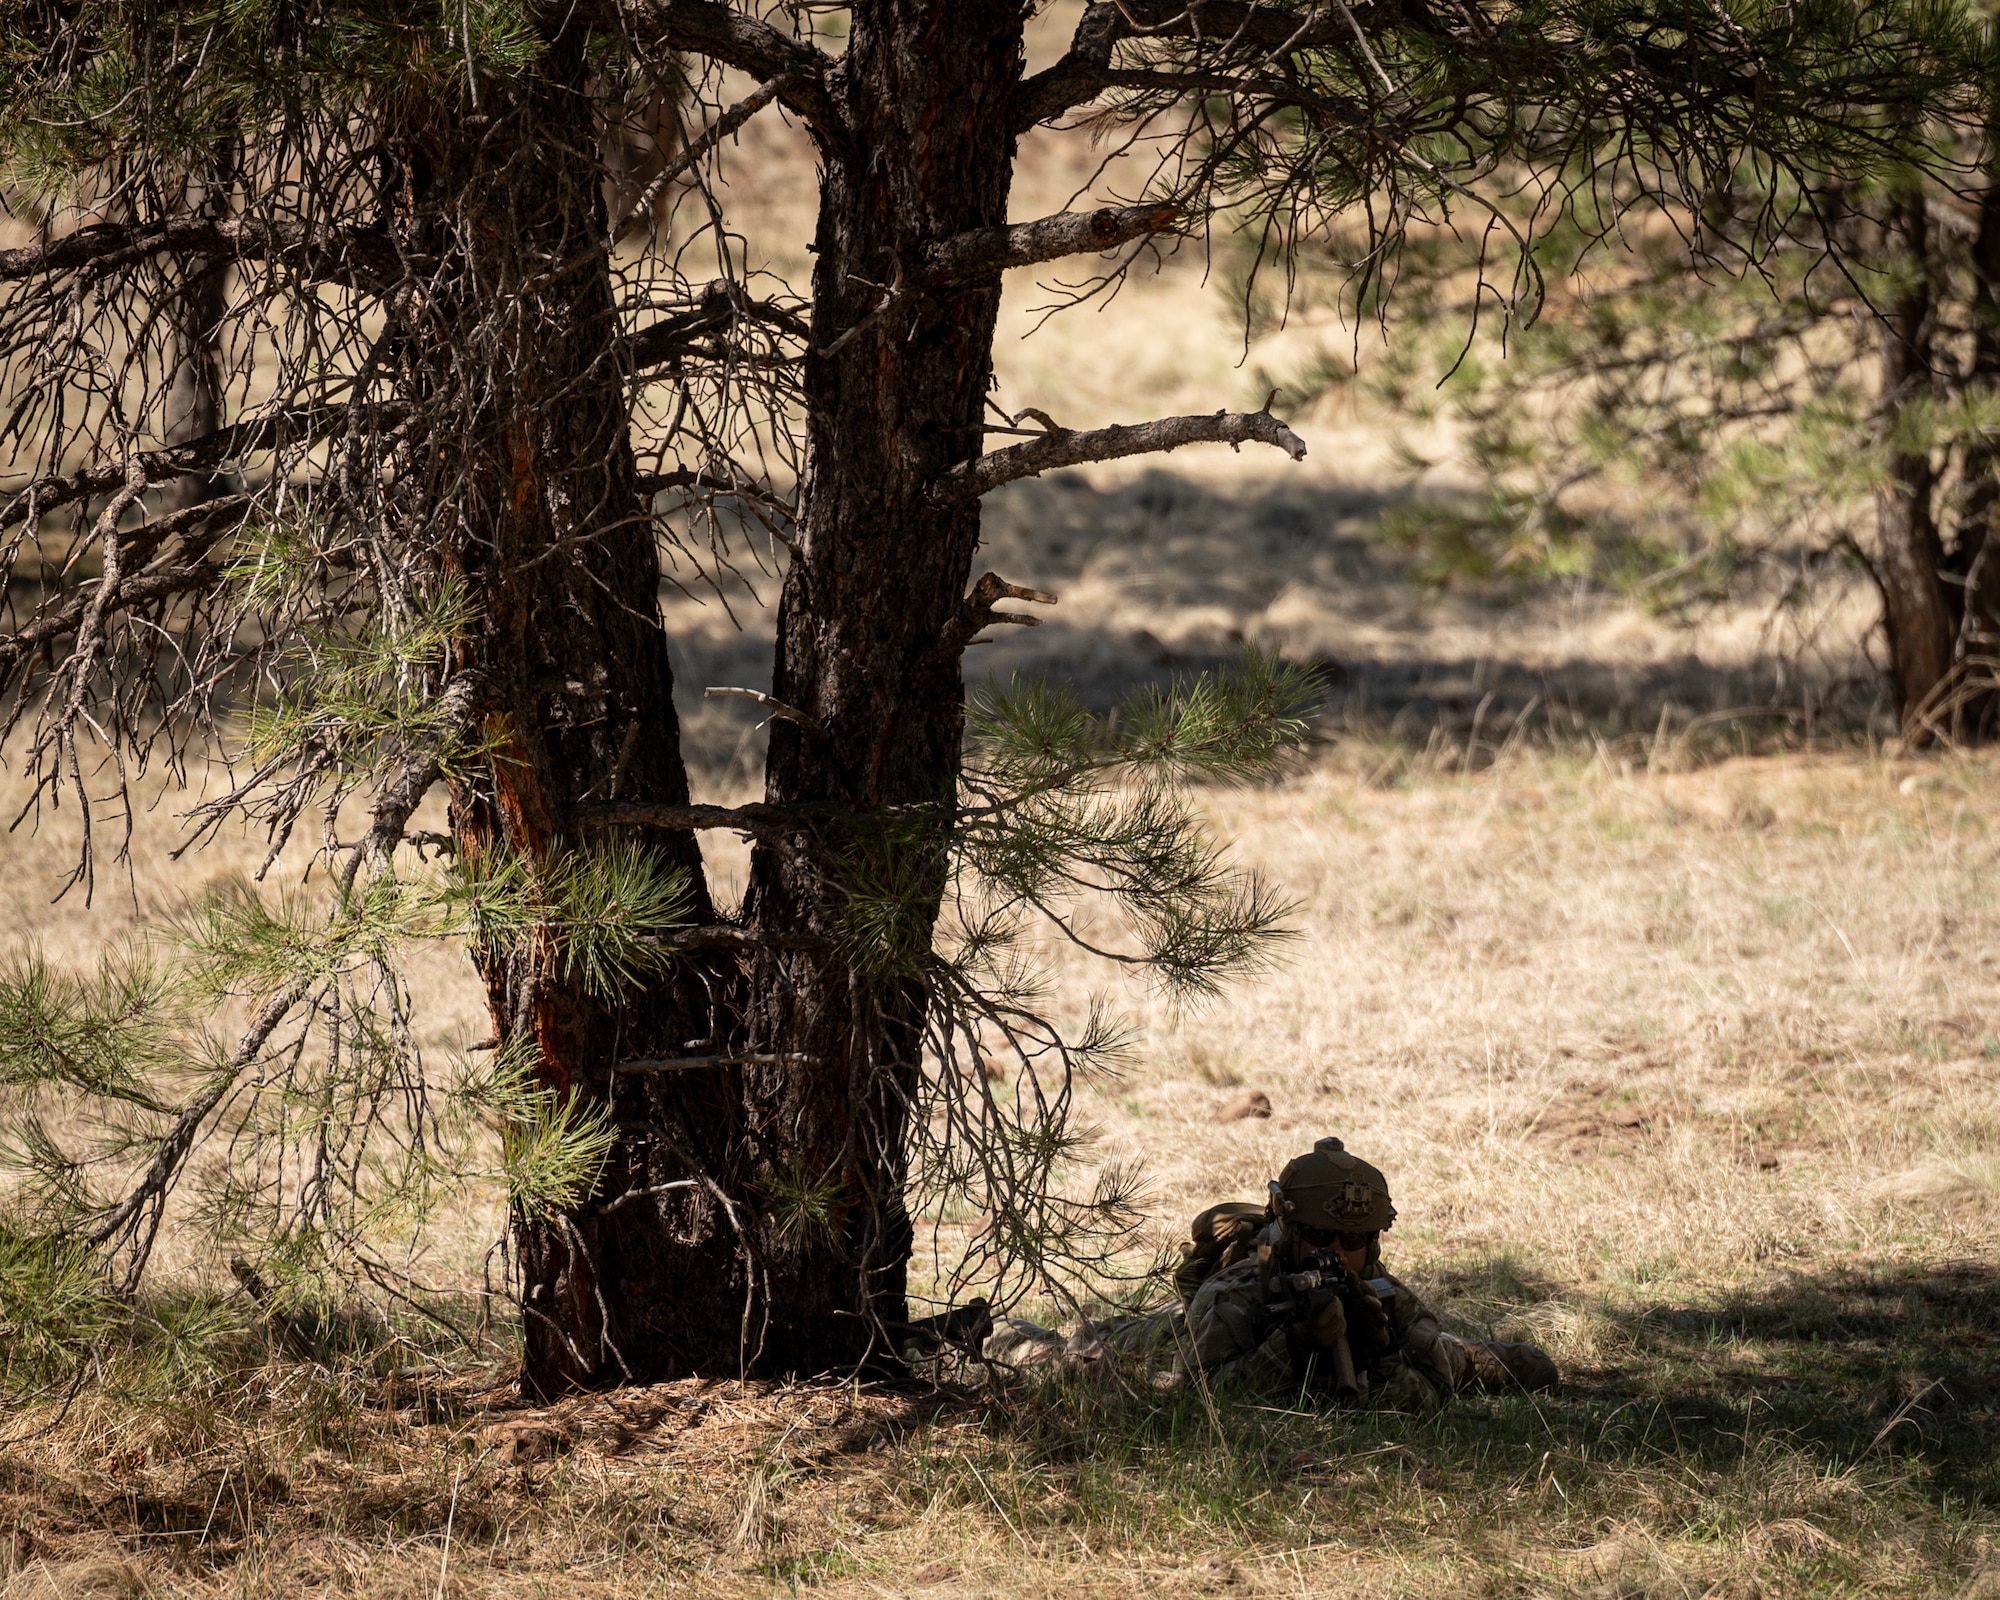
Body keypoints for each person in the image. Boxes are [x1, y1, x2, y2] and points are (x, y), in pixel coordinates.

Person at [983, 1136, 1558, 1403]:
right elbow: (1196, 1399)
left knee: (1501, 1365)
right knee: (1080, 1356)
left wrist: (1380, 1350)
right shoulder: (1239, 1293)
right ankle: (996, 1328)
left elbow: (1427, 1400)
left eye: (1355, 1239)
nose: (1337, 1251)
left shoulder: (1386, 1292)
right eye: (1318, 1237)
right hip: (1174, 1337)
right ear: (1287, 1230)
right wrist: (1293, 1345)